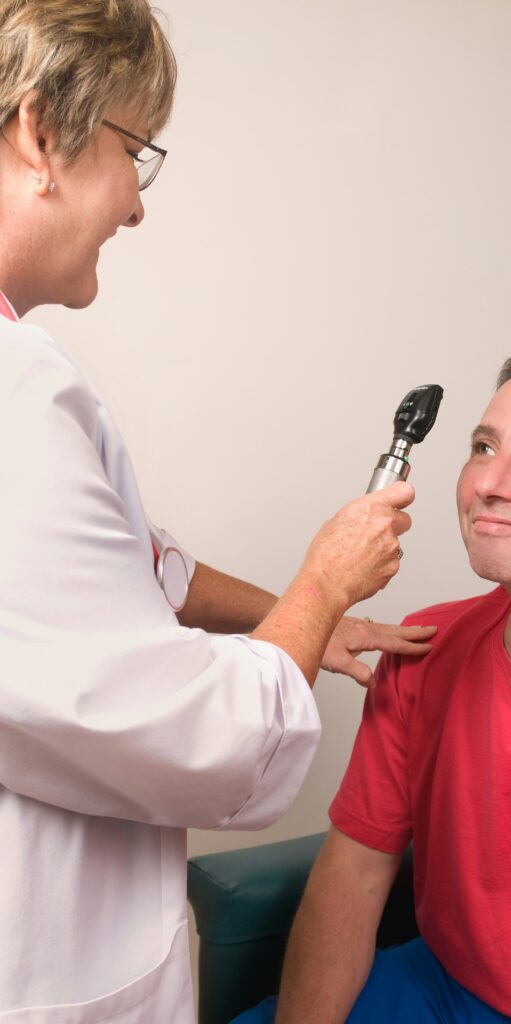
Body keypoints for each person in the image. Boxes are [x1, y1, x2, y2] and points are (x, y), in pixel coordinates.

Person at [0, 2, 437, 1021]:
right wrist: (324, 580)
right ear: (40, 134)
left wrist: (303, 615)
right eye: (135, 154)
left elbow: (135, 568)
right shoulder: (13, 399)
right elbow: (198, 731)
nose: (137, 205)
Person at [241, 345, 511, 1024]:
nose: (489, 484)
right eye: (483, 446)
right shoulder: (423, 647)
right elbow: (353, 877)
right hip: (438, 981)